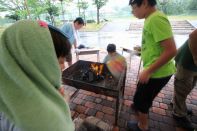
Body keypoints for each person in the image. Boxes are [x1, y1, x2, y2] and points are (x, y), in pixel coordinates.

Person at [0, 20, 74, 131]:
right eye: (60, 61)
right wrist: (62, 104)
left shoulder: (8, 95)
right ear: (37, 62)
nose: (63, 67)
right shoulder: (44, 122)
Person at [127, 0, 177, 130]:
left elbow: (171, 50)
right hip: (156, 71)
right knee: (142, 97)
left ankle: (142, 126)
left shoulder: (156, 19)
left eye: (133, 8)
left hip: (157, 72)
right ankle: (139, 108)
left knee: (141, 101)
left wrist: (148, 71)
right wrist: (143, 48)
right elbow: (157, 44)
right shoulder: (151, 18)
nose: (132, 12)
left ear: (144, 3)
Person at [171, 29, 197, 131]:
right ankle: (178, 114)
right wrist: (196, 57)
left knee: (189, 86)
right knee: (182, 87)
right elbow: (193, 35)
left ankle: (177, 104)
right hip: (186, 61)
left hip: (193, 65)